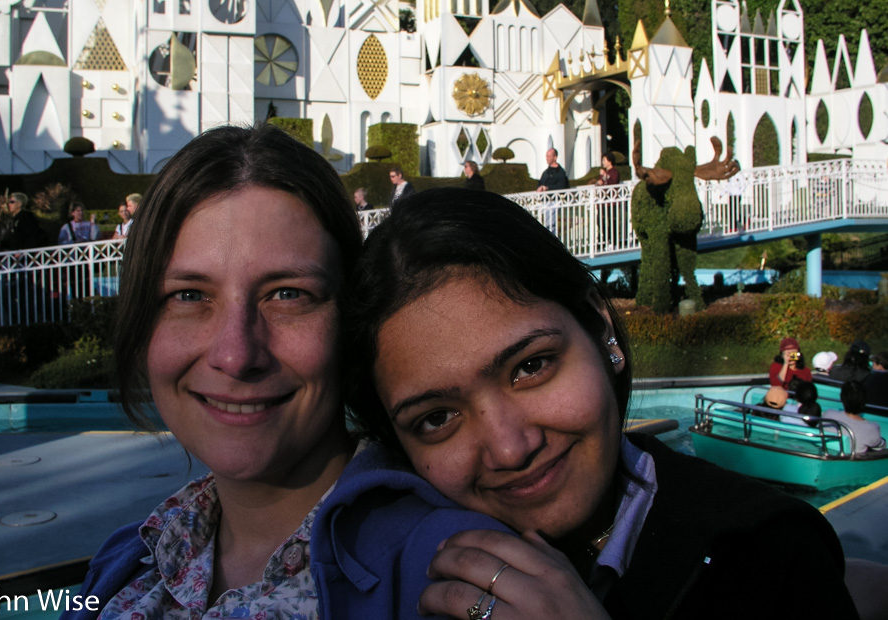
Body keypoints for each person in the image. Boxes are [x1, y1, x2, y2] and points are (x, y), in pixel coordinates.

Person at [344, 188, 858, 620]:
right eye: (437, 419)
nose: (509, 448)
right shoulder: (380, 568)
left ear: (599, 328)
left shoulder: (767, 557)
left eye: (530, 366)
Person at [64, 126, 508, 620]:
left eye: (287, 294)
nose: (236, 354)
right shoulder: (129, 560)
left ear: (350, 322)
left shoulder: (448, 578)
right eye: (188, 296)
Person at [822, 381, 886, 455]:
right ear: (864, 401)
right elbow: (880, 446)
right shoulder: (871, 428)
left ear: (842, 398)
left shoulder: (828, 415)